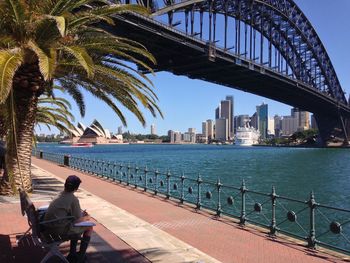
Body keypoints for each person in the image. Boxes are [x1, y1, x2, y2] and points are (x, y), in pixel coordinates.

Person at [43, 175, 93, 263]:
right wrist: (86, 217)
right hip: (58, 230)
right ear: (76, 188)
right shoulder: (73, 199)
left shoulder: (59, 194)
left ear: (65, 185)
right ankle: (80, 257)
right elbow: (78, 220)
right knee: (89, 228)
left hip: (49, 226)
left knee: (74, 226)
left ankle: (73, 254)